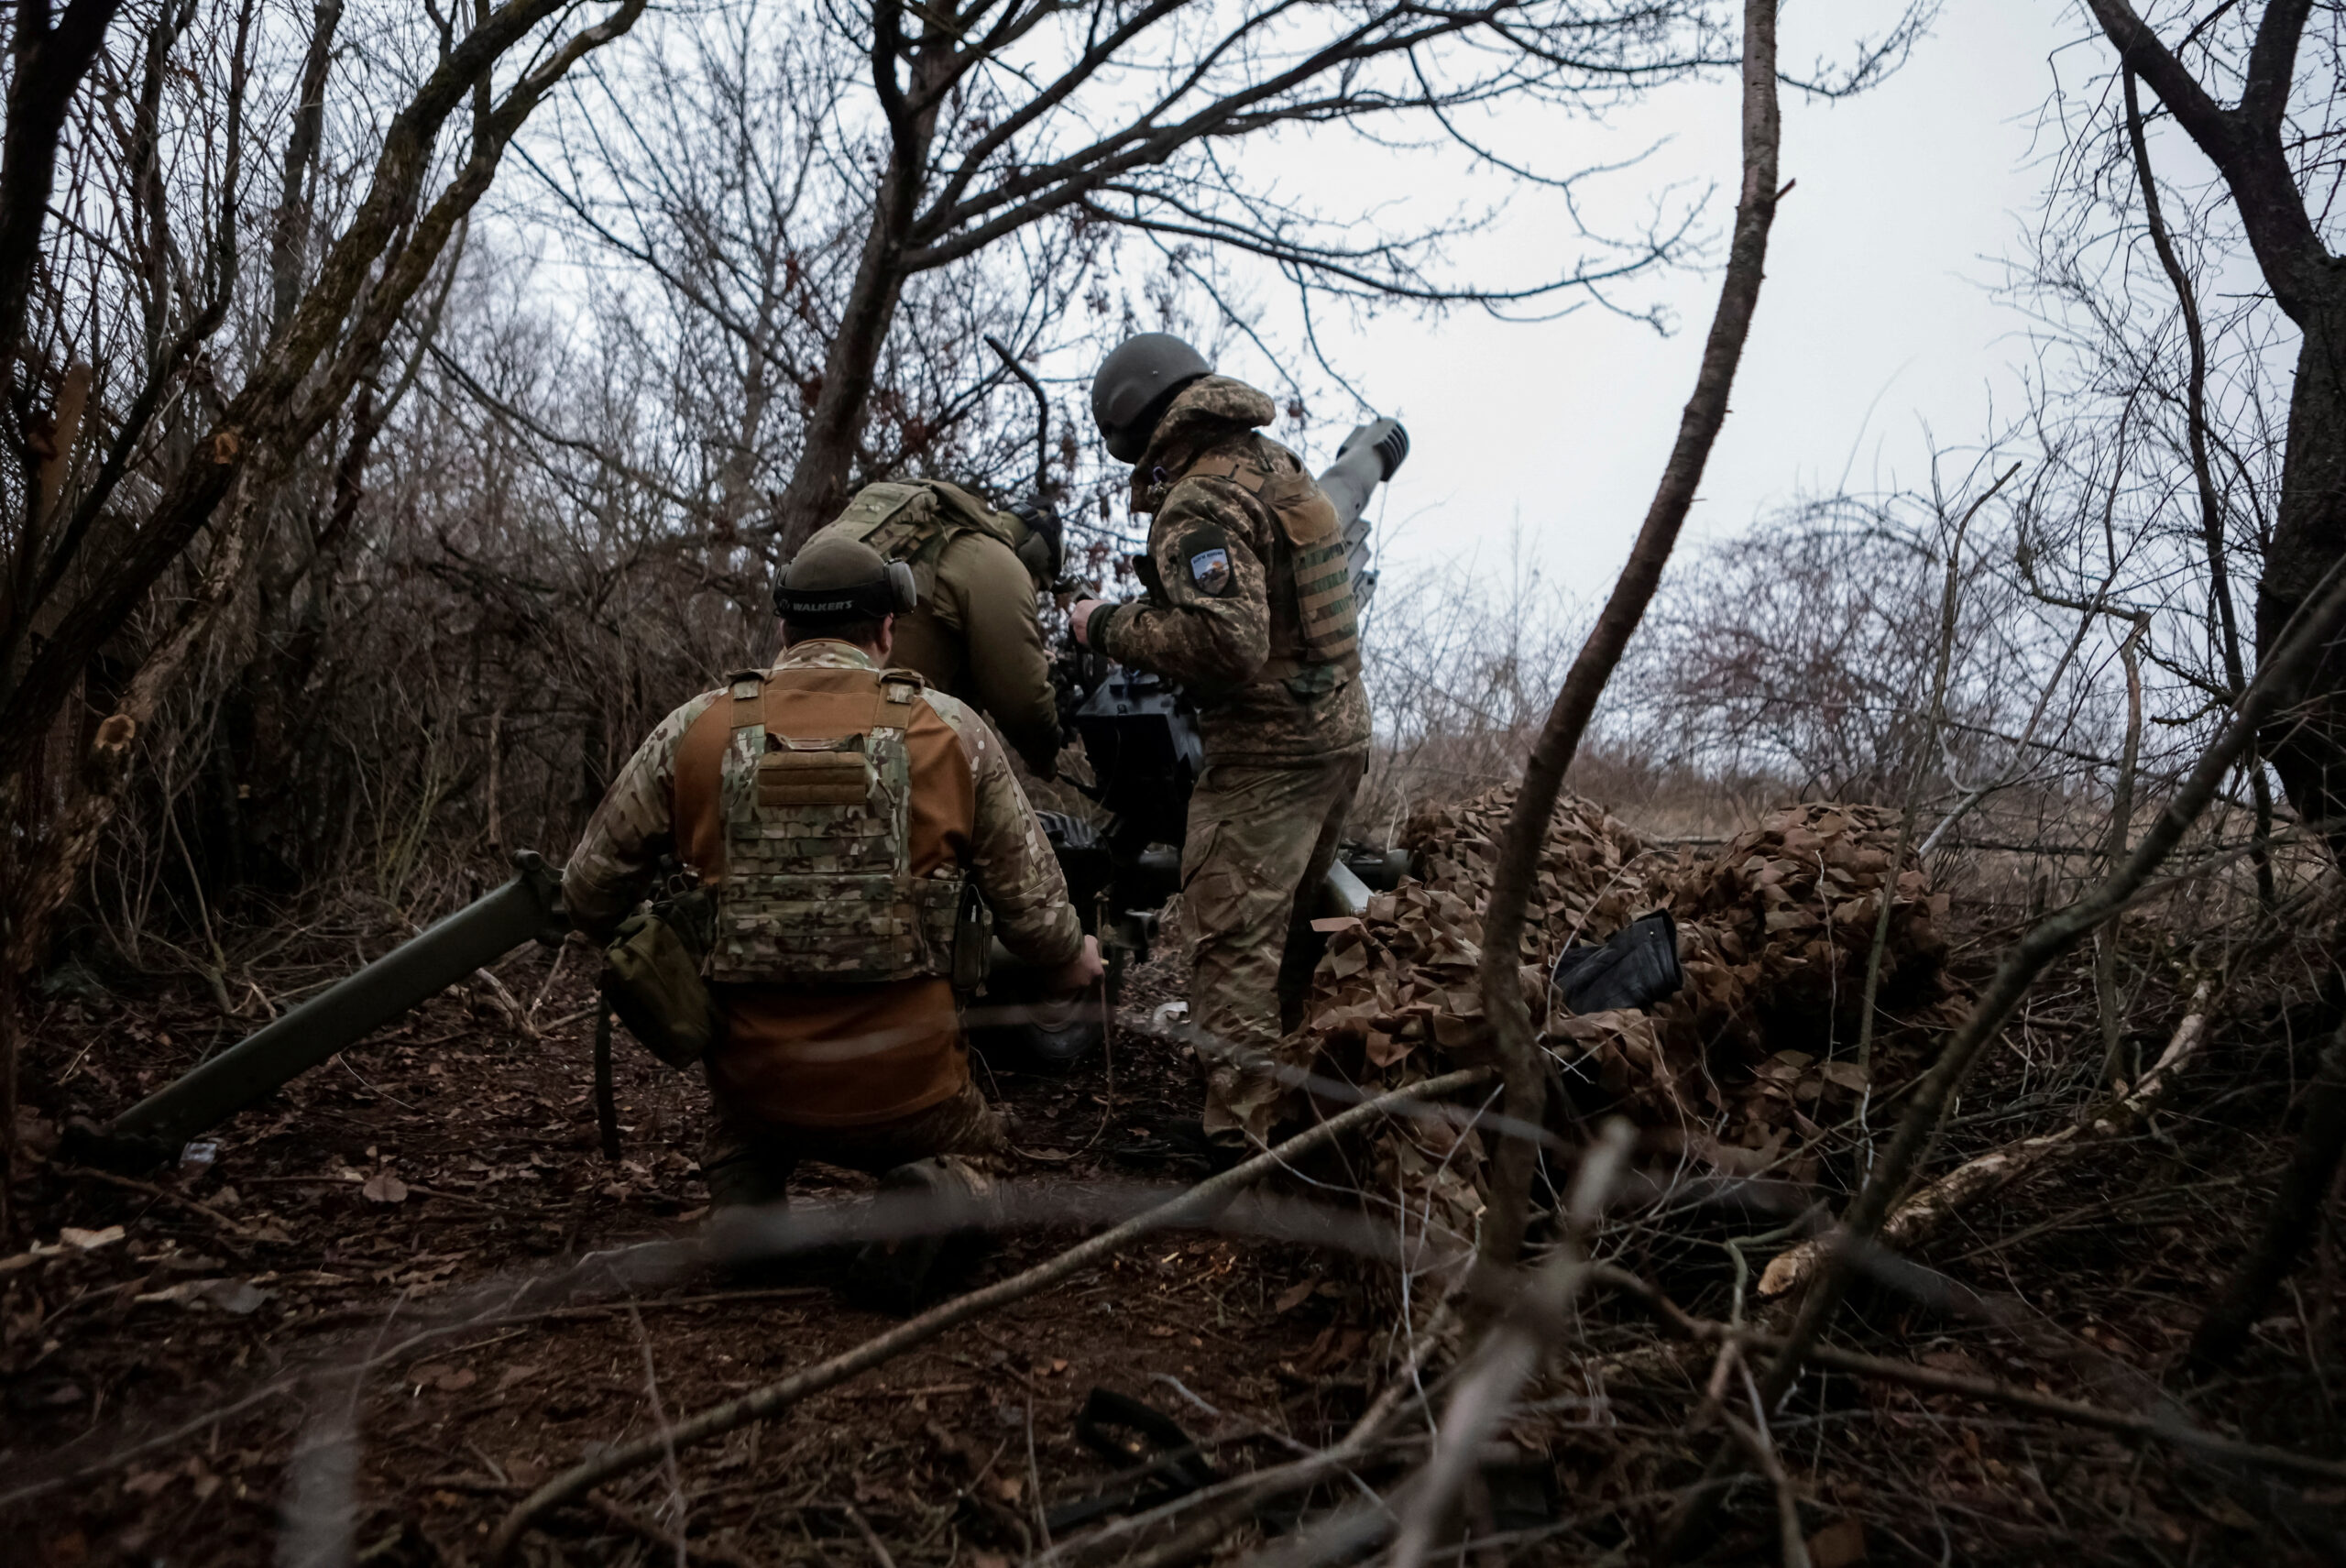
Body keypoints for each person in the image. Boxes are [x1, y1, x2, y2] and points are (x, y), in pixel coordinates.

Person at [564, 533, 1102, 1298]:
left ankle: (746, 1201)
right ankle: (937, 1194)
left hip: (756, 1084)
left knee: (739, 1130)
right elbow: (1041, 923)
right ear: (887, 630)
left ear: (785, 630)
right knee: (991, 1160)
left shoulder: (696, 729)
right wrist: (1076, 956)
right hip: (910, 1090)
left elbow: (586, 895)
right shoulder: (951, 731)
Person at [1069, 334, 1368, 1150]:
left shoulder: (1199, 501)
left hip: (1267, 754)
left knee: (1230, 940)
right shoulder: (1272, 464)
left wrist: (1105, 623)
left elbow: (1228, 644)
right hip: (1335, 733)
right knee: (1295, 928)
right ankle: (1305, 1100)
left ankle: (1243, 1140)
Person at [800, 478, 1066, 779]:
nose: (1036, 592)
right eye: (1040, 584)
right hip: (888, 750)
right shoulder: (995, 561)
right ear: (1035, 554)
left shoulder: (923, 535)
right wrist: (1046, 757)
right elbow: (1023, 702)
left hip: (793, 722)